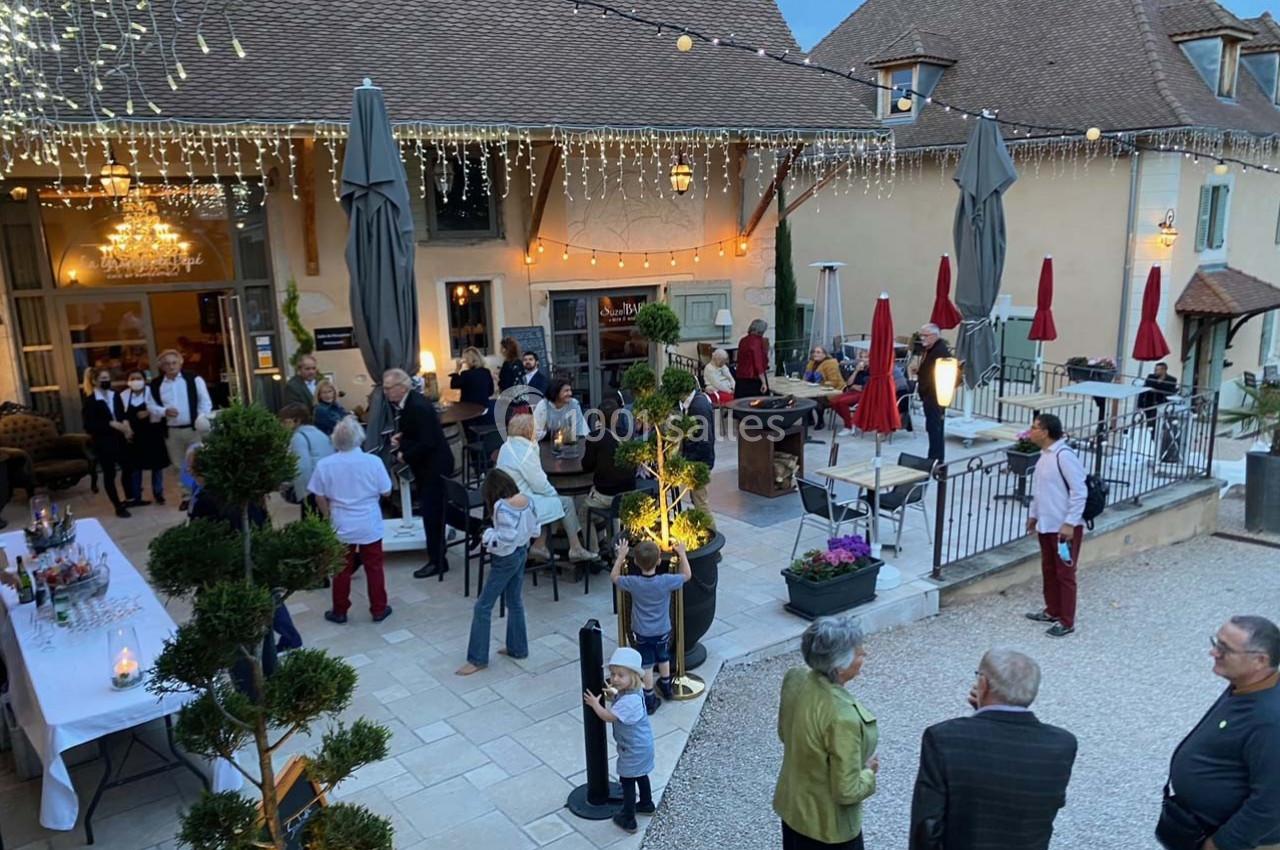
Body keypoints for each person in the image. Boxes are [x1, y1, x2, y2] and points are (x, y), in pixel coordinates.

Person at [909, 649, 1077, 850]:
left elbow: (926, 826)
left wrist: (982, 716)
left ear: (983, 683)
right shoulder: (1062, 745)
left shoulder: (943, 738)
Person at [1162, 616, 1280, 850]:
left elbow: (1272, 801)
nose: (1213, 652)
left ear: (1259, 660)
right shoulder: (1247, 685)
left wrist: (1221, 844)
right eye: (1216, 642)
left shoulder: (1272, 721)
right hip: (1200, 825)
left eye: (1224, 649)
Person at [774, 616, 878, 850]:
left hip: (793, 810)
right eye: (859, 653)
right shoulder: (842, 717)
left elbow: (784, 733)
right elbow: (847, 790)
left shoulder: (795, 678)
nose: (865, 656)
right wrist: (869, 773)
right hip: (827, 829)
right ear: (840, 665)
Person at [308, 416, 394, 624]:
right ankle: (378, 608)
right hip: (368, 522)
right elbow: (387, 491)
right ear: (360, 438)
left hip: (341, 521)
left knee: (340, 570)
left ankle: (340, 610)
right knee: (374, 567)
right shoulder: (373, 462)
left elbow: (318, 494)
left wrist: (328, 516)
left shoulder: (325, 464)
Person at [457, 469, 538, 676]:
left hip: (505, 557)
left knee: (483, 606)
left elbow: (505, 538)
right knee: (515, 601)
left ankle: (477, 658)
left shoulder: (501, 507)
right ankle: (518, 648)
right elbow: (535, 529)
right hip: (521, 551)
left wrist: (487, 535)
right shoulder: (527, 500)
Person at [496, 413, 597, 562]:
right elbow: (539, 483)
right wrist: (554, 494)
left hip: (508, 500)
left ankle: (539, 545)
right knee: (564, 502)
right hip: (522, 505)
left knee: (554, 503)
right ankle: (576, 548)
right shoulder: (525, 451)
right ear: (527, 430)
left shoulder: (507, 446)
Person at [385, 368, 454, 579]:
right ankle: (478, 527)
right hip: (429, 464)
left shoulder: (417, 406)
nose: (386, 392)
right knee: (439, 507)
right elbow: (418, 433)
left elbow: (427, 442)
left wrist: (404, 455)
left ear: (401, 387)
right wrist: (402, 437)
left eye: (388, 388)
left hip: (434, 466)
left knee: (431, 515)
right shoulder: (409, 402)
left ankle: (438, 562)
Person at [1024, 414, 1086, 637]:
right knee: (1049, 569)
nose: (1030, 431)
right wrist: (1034, 515)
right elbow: (1040, 491)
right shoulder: (1044, 456)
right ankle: (1052, 610)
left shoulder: (1064, 456)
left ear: (1046, 432)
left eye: (1034, 428)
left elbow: (1079, 491)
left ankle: (1067, 620)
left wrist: (1070, 523)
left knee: (1065, 573)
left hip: (1063, 528)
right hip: (1047, 524)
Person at [583, 646, 656, 834]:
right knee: (641, 774)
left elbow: (608, 716)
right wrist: (613, 693)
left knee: (628, 780)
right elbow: (620, 699)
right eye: (613, 674)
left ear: (633, 677)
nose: (615, 679)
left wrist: (594, 704)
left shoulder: (628, 701)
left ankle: (628, 817)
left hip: (633, 749)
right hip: (642, 746)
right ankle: (647, 804)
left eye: (620, 675)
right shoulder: (632, 692)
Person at [613, 539, 691, 713]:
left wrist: (620, 556)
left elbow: (615, 578)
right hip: (663, 629)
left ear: (635, 562)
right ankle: (666, 686)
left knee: (647, 663)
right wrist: (683, 553)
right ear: (658, 561)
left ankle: (649, 697)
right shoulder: (666, 581)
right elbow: (687, 575)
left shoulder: (633, 582)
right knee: (663, 656)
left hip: (641, 631)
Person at [148, 349, 213, 510]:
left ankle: (206, 493)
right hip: (172, 431)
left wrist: (200, 420)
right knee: (179, 466)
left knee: (199, 462)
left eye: (174, 362)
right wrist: (164, 411)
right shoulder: (156, 385)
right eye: (167, 364)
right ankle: (187, 495)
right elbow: (150, 405)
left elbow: (205, 402)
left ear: (180, 363)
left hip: (193, 429)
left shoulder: (193, 379)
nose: (171, 366)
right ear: (162, 366)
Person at [579, 400, 638, 552]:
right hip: (628, 494)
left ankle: (594, 552)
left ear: (598, 419)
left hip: (606, 497)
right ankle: (613, 545)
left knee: (583, 512)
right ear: (618, 417)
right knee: (612, 511)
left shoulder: (594, 438)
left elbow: (587, 466)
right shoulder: (627, 435)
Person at [81, 368, 132, 518]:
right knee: (110, 474)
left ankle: (129, 497)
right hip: (104, 441)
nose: (106, 381)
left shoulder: (115, 395)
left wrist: (126, 427)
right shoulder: (91, 401)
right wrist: (110, 424)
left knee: (128, 467)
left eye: (107, 378)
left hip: (120, 439)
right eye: (102, 379)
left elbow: (122, 413)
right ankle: (117, 505)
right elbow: (89, 426)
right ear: (95, 381)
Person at [120, 369, 169, 506]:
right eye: (132, 378)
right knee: (136, 467)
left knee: (157, 465)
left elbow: (162, 409)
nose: (136, 381)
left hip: (152, 432)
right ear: (128, 381)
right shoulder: (123, 395)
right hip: (134, 435)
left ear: (144, 379)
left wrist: (149, 412)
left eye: (138, 378)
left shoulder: (152, 391)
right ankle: (136, 496)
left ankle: (158, 493)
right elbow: (121, 415)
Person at [278, 403, 333, 520]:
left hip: (311, 492)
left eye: (284, 421)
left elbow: (301, 469)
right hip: (327, 488)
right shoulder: (320, 434)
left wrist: (302, 496)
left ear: (296, 420)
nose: (282, 425)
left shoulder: (298, 437)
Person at [914, 324, 952, 463]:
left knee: (935, 428)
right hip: (930, 395)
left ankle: (936, 458)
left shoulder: (940, 352)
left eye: (926, 335)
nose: (922, 338)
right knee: (932, 427)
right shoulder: (931, 349)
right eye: (921, 335)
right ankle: (934, 456)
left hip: (935, 396)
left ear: (935, 336)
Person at [680, 386, 715, 512]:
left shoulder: (697, 407)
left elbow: (705, 439)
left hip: (700, 461)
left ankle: (710, 531)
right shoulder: (697, 402)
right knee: (697, 499)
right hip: (700, 459)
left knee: (700, 501)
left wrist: (690, 460)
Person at [533, 377, 589, 441]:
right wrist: (554, 435)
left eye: (570, 390)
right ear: (556, 392)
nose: (570, 393)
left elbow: (580, 430)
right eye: (566, 391)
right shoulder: (543, 405)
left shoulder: (574, 403)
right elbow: (535, 433)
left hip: (571, 442)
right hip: (548, 443)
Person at [831, 351, 872, 437]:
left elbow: (864, 388)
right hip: (853, 391)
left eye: (865, 357)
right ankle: (851, 421)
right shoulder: (858, 369)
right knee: (833, 401)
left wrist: (854, 386)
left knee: (842, 402)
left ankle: (848, 427)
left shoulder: (871, 370)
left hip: (864, 395)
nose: (863, 359)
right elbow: (849, 383)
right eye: (861, 357)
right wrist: (856, 371)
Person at [735, 318, 770, 399]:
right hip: (753, 380)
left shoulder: (743, 340)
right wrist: (764, 382)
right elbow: (758, 363)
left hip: (741, 378)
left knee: (741, 404)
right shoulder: (757, 342)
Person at [1139, 362, 1178, 432]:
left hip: (1162, 402)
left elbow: (1170, 391)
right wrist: (1157, 384)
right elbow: (1148, 386)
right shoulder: (1151, 376)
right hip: (1149, 402)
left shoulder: (1171, 379)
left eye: (1157, 370)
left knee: (1159, 423)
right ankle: (1151, 437)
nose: (1155, 371)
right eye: (1155, 369)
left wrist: (1156, 389)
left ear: (1164, 370)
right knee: (1150, 422)